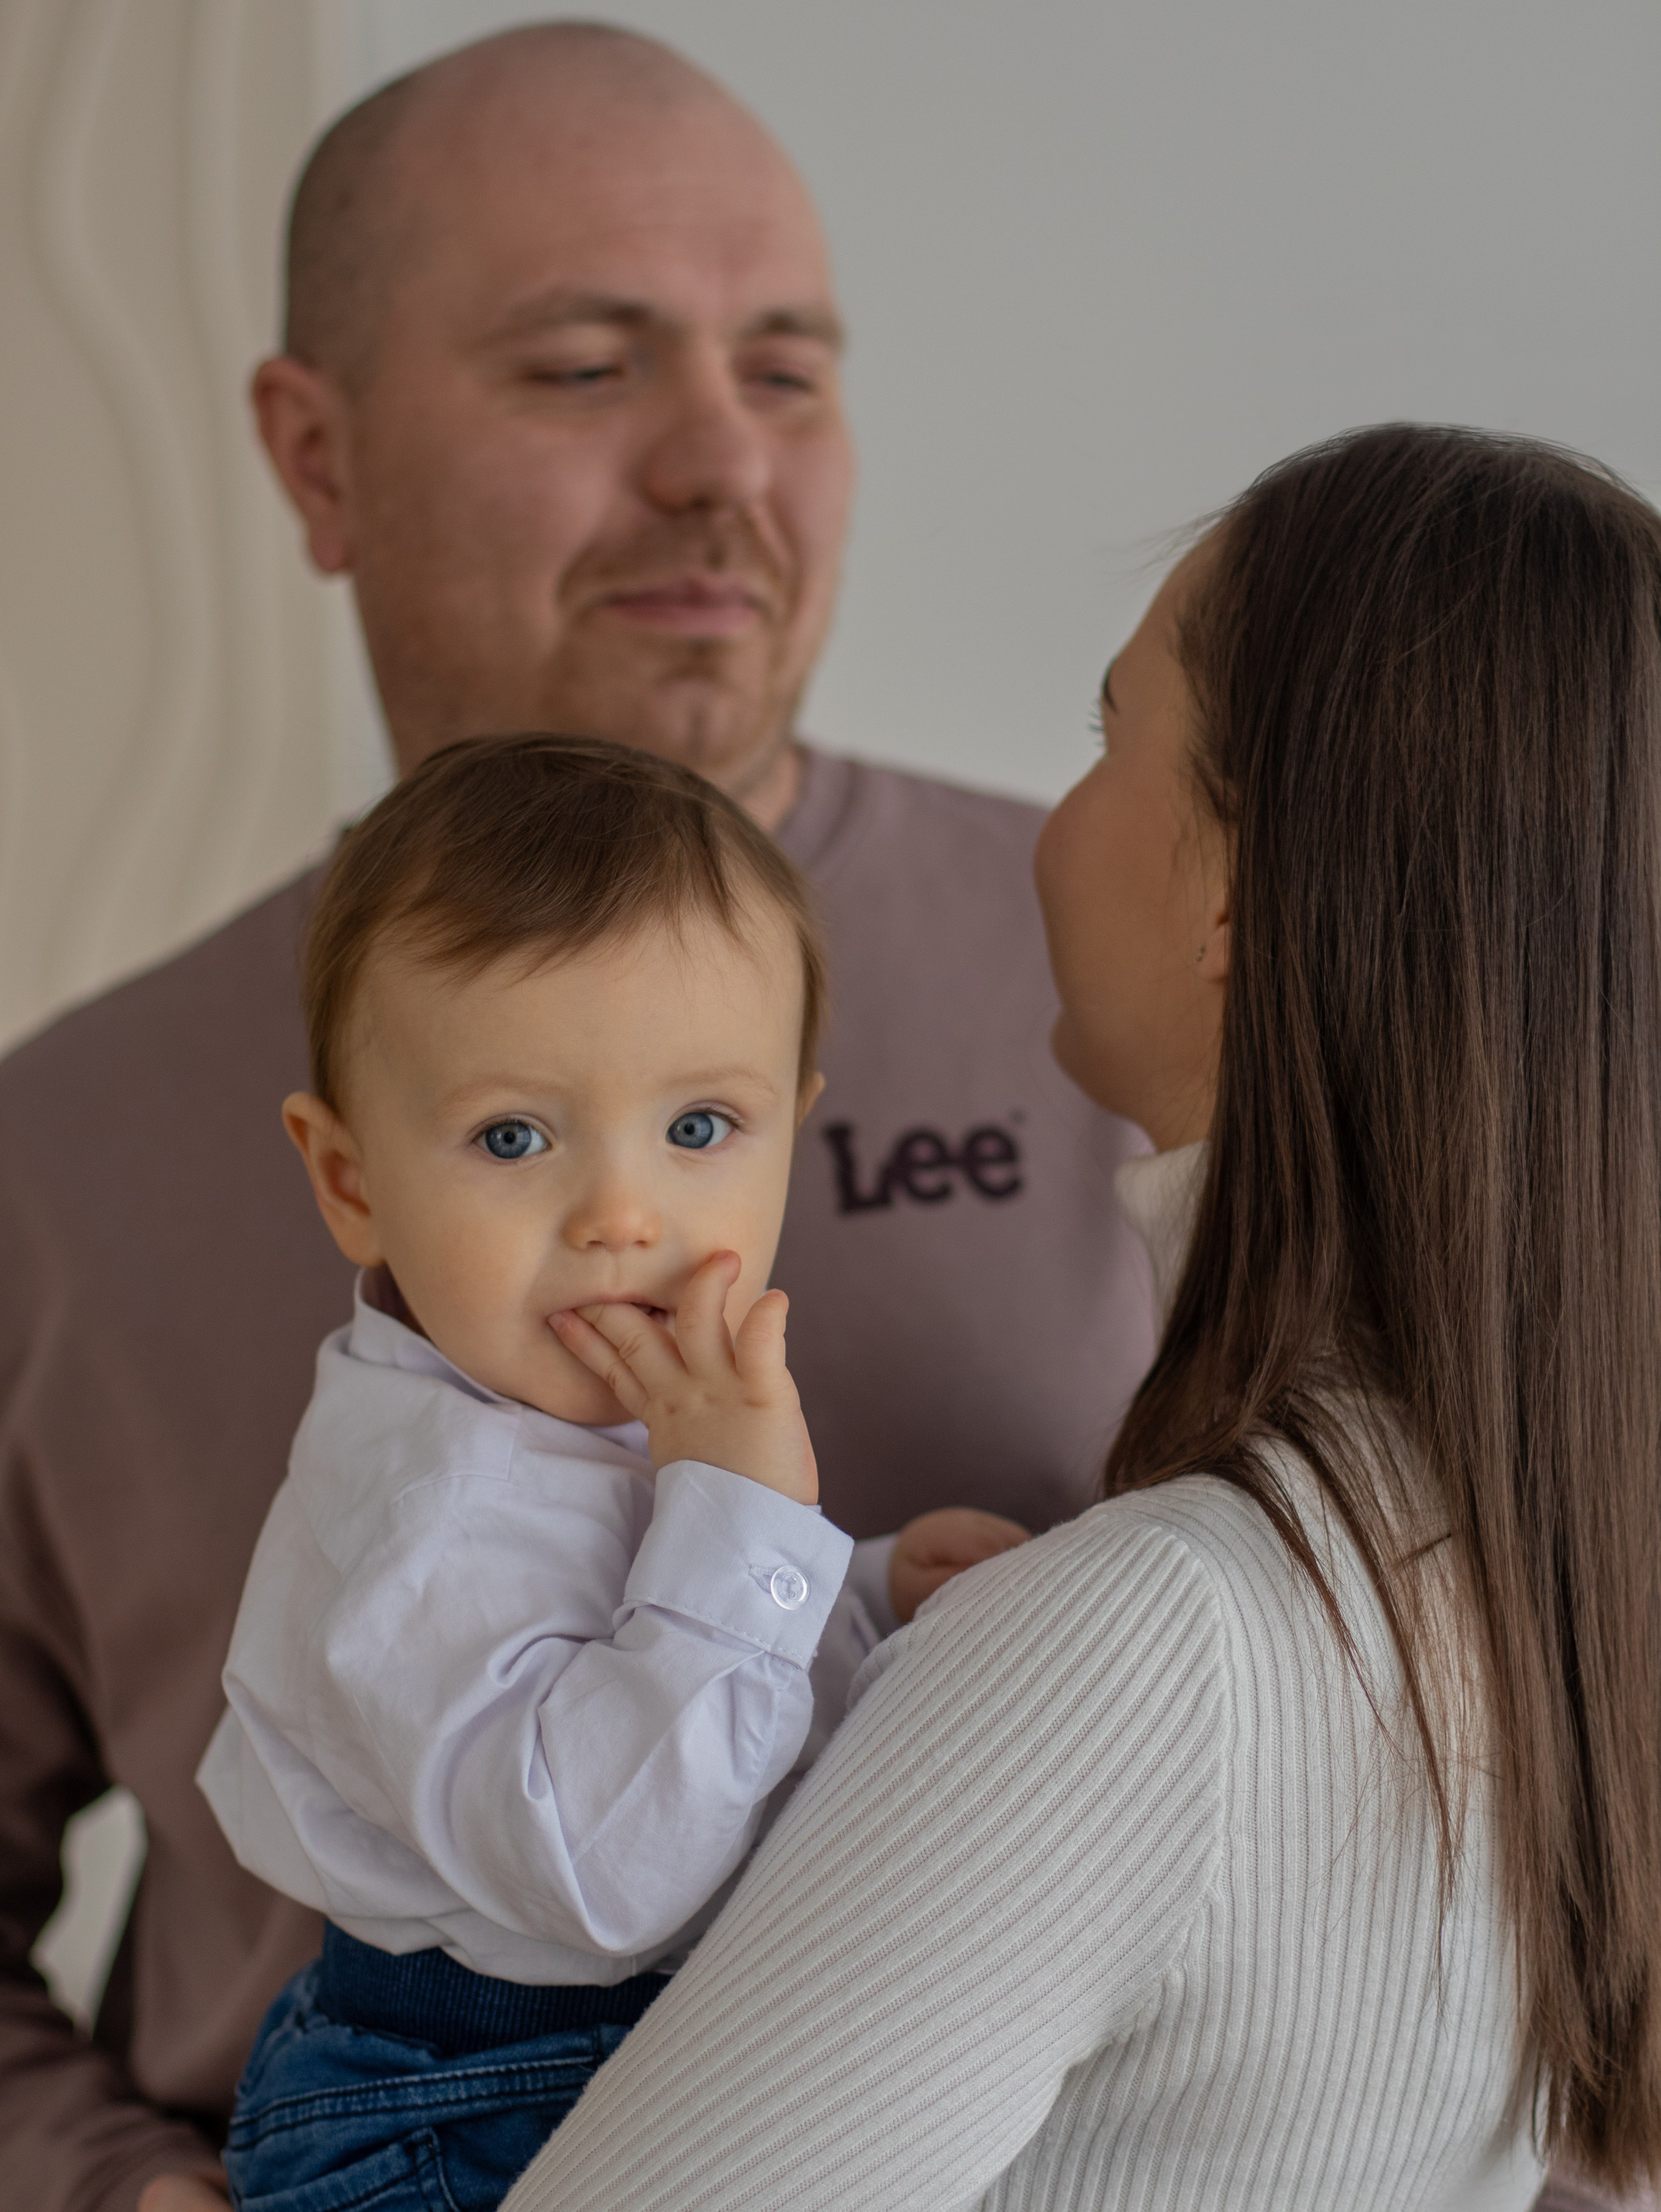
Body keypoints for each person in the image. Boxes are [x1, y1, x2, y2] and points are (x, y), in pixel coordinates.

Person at [0, 24, 1153, 2212]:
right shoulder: (52, 1157)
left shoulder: (1164, 989)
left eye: (790, 370)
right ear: (314, 458)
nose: (724, 462)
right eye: (587, 366)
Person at [501, 426, 1661, 2212]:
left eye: (1114, 736)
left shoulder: (1147, 1648)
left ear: (1223, 892)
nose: (1061, 815)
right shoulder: (1557, 1591)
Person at [202, 735, 1023, 2210]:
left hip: (608, 2058)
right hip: (459, 2122)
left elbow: (632, 1628)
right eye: (513, 1135)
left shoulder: (573, 1412)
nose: (622, 1213)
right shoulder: (416, 1521)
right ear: (351, 1182)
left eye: (701, 1127)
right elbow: (616, 1865)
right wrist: (757, 1525)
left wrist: (863, 1580)